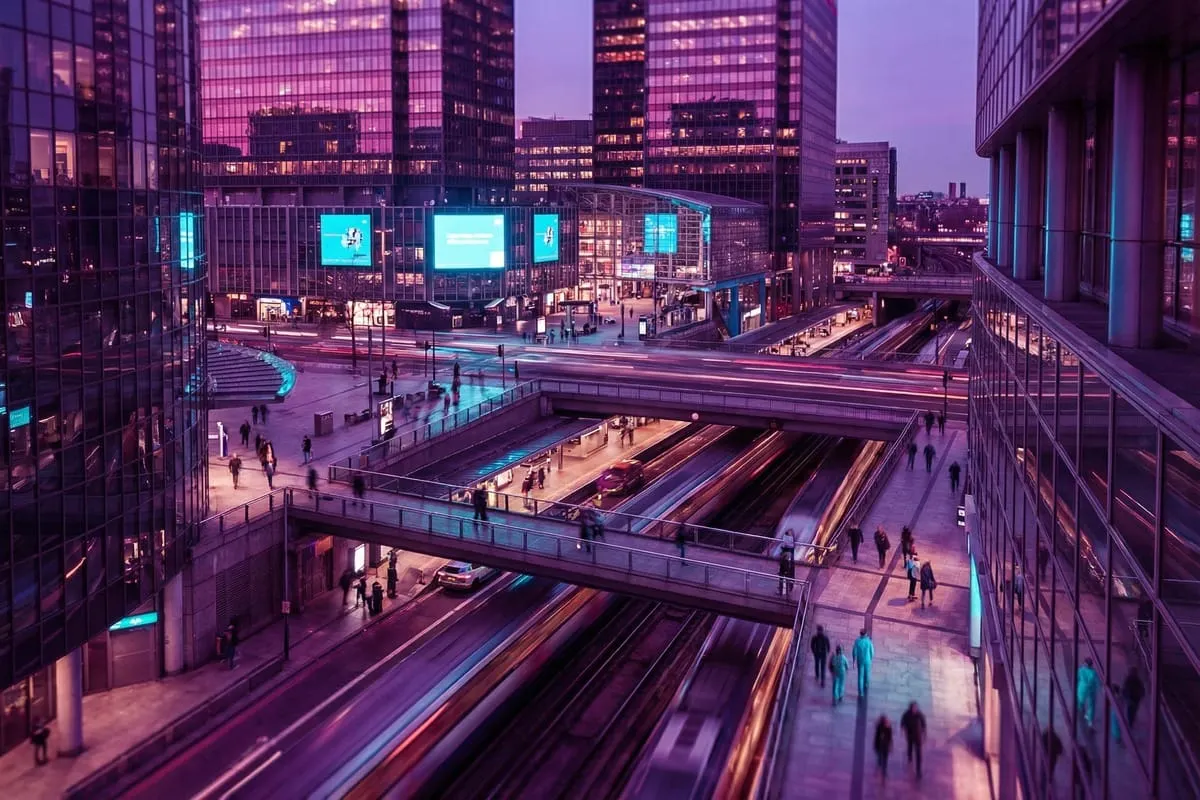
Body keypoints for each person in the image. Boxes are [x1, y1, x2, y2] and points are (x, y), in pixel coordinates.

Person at [900, 702, 927, 778]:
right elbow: (902, 721)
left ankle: (918, 770)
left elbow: (924, 724)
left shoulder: (920, 714)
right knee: (910, 746)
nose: (914, 709)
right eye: (913, 708)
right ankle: (910, 756)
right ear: (910, 708)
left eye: (916, 708)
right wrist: (902, 728)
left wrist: (924, 734)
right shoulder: (906, 714)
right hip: (910, 735)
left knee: (918, 753)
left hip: (918, 737)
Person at [1077, 657, 1099, 728]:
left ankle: (1081, 709)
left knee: (1081, 700)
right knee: (1091, 705)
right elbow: (1097, 682)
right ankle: (1090, 720)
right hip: (1091, 689)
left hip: (1082, 688)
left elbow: (1077, 678)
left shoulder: (1080, 670)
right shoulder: (1093, 672)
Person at [852, 629, 874, 696]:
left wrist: (854, 660)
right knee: (866, 674)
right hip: (867, 660)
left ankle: (860, 692)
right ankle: (866, 685)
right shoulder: (869, 641)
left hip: (860, 660)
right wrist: (871, 659)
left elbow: (854, 651)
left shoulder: (857, 641)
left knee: (860, 676)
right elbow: (872, 652)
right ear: (865, 634)